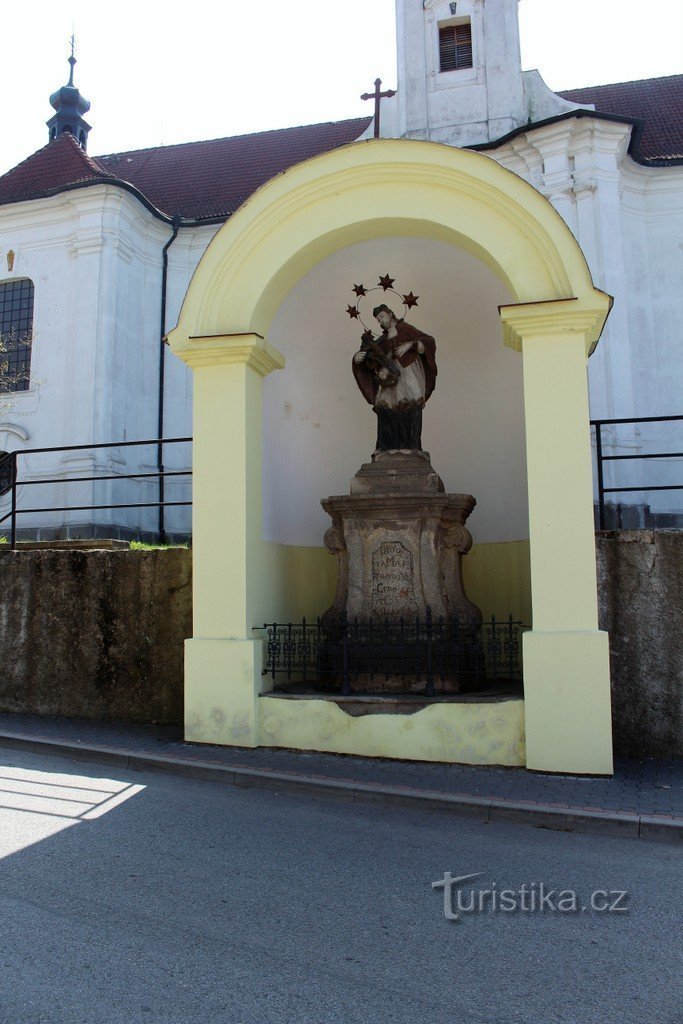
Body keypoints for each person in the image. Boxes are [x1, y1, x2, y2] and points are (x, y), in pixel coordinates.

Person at [352, 304, 437, 452]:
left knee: (411, 404)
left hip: (408, 372)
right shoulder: (382, 340)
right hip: (390, 378)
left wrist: (412, 344)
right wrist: (358, 358)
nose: (381, 321)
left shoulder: (405, 328)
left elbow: (429, 341)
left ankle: (412, 447)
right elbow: (372, 359)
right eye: (378, 320)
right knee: (386, 407)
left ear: (390, 313)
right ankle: (386, 447)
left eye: (382, 316)